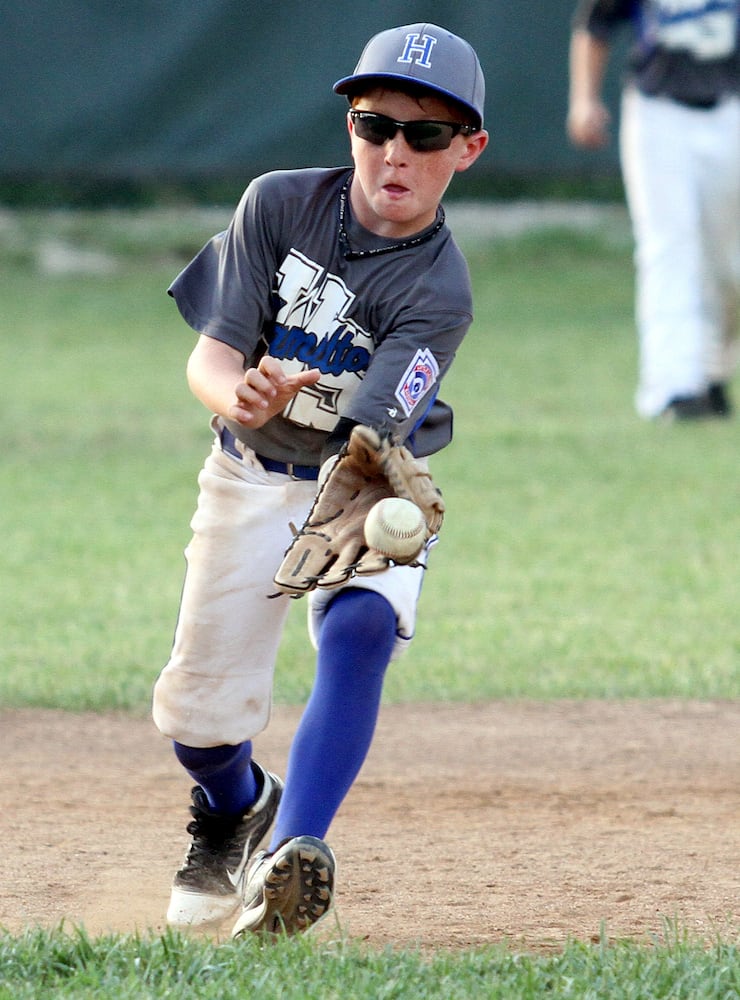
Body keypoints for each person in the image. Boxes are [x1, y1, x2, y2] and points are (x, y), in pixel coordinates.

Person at [152, 22, 488, 938]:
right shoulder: (279, 205)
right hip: (249, 474)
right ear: (350, 125)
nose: (396, 152)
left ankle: (291, 859)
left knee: (364, 626)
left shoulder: (440, 289)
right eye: (377, 125)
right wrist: (243, 395)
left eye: (426, 134)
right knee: (196, 716)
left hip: (368, 480)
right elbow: (212, 358)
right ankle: (238, 804)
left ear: (468, 148)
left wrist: (360, 494)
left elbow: (369, 433)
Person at [567, 1, 740, 421]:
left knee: (730, 262)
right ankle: (673, 388)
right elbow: (596, 22)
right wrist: (584, 100)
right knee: (667, 247)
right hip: (658, 111)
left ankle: (710, 368)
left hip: (731, 108)